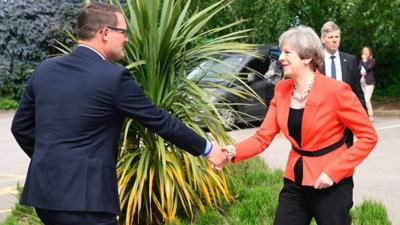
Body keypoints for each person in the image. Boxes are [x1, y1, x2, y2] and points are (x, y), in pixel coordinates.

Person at [11, 3, 226, 225]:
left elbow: (20, 127)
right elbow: (160, 121)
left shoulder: (45, 69)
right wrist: (207, 149)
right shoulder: (114, 78)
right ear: (105, 33)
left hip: (46, 197)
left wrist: (53, 162)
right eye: (123, 32)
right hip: (87, 202)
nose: (127, 39)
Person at [220, 26, 378, 225]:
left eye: (287, 53)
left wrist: (334, 171)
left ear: (307, 58)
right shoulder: (281, 90)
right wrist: (233, 151)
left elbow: (368, 137)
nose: (281, 58)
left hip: (331, 183)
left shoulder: (337, 91)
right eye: (281, 52)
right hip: (295, 181)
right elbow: (262, 137)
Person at [319, 21, 367, 147]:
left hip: (346, 117)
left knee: (346, 154)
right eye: (330, 37)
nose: (335, 40)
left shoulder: (350, 60)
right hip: (323, 117)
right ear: (323, 40)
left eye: (337, 37)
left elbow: (357, 91)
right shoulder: (315, 61)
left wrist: (364, 116)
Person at [358, 46, 376, 122]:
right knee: (365, 100)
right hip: (362, 82)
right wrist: (362, 61)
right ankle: (366, 115)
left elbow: (368, 68)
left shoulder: (372, 60)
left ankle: (371, 116)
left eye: (366, 51)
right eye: (364, 51)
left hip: (369, 82)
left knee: (367, 99)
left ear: (369, 53)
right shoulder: (361, 61)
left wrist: (364, 61)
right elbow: (358, 68)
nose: (365, 52)